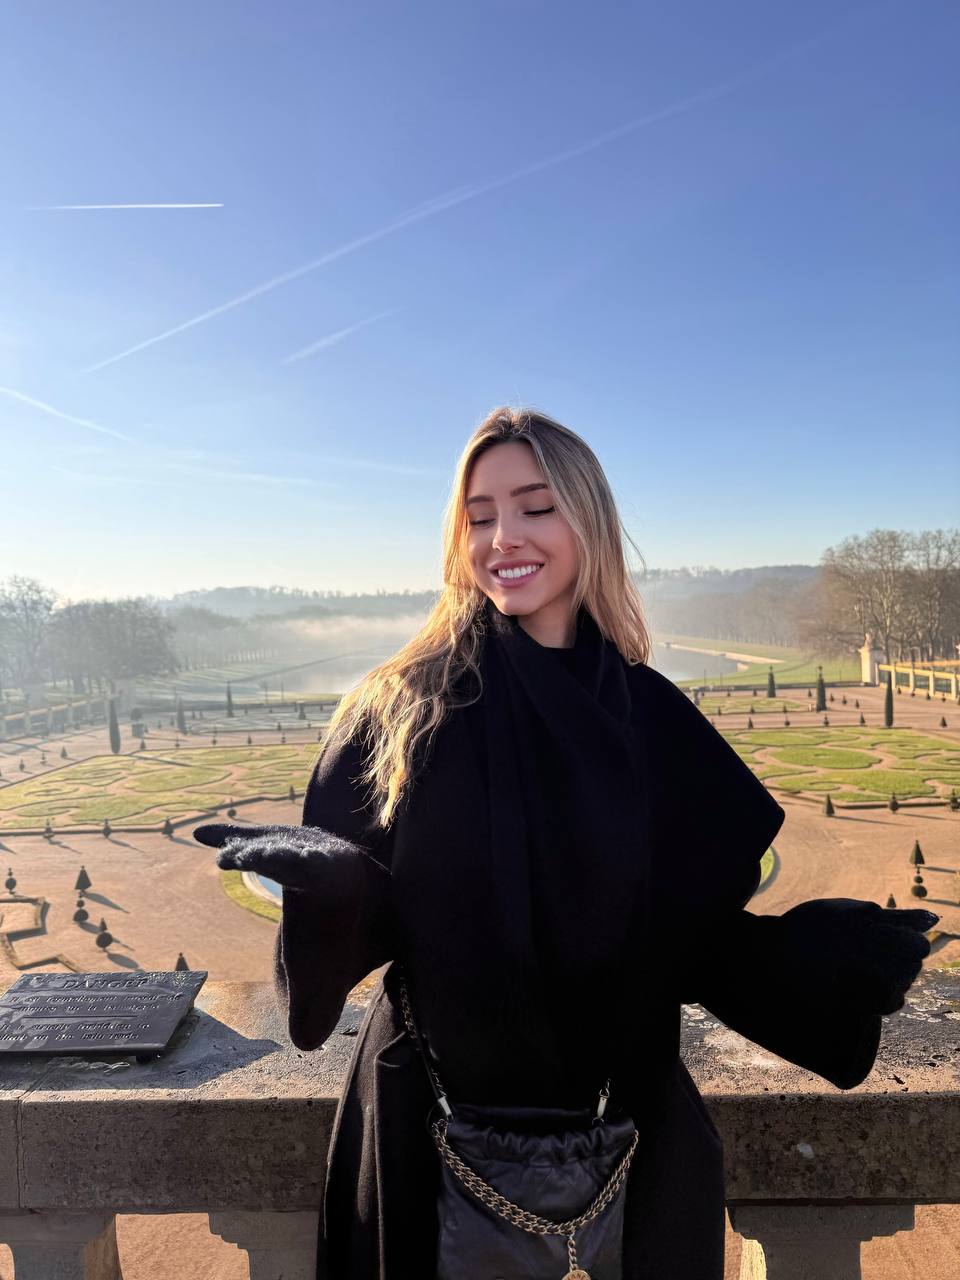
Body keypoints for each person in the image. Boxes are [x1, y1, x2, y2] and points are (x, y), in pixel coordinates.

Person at [194, 406, 935, 1280]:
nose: (503, 536)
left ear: (589, 523)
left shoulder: (653, 716)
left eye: (536, 507)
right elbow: (345, 974)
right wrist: (338, 890)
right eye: (479, 516)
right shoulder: (396, 712)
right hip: (427, 1126)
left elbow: (683, 940)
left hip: (627, 1125)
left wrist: (816, 961)